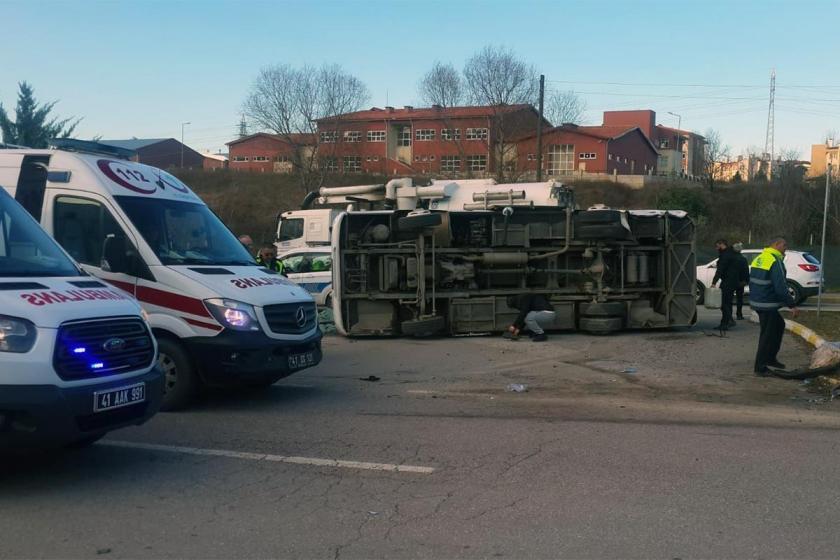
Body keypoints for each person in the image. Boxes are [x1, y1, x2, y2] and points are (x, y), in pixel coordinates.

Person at [749, 236, 799, 375]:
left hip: (759, 301)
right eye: (784, 245)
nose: (786, 248)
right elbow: (781, 287)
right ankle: (760, 367)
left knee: (779, 325)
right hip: (767, 304)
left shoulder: (761, 257)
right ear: (776, 244)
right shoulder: (774, 260)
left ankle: (770, 359)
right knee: (767, 335)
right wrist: (792, 305)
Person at [711, 239, 739, 330]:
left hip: (728, 281)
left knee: (723, 303)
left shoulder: (725, 255)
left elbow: (720, 269)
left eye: (717, 246)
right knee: (728, 303)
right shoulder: (731, 253)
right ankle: (726, 322)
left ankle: (727, 322)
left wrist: (714, 282)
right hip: (732, 281)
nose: (716, 248)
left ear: (722, 244)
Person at [733, 242, 750, 320]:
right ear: (740, 250)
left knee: (728, 299)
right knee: (739, 298)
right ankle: (739, 314)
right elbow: (746, 271)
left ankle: (728, 315)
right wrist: (746, 280)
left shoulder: (730, 259)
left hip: (731, 281)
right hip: (740, 282)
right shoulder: (743, 259)